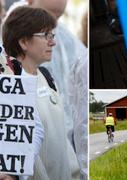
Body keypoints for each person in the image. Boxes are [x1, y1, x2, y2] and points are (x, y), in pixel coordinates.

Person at [5, 1, 88, 179]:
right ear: (24, 42)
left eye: (52, 34)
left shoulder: (47, 78)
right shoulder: (10, 90)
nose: (53, 42)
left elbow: (62, 140)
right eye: (45, 35)